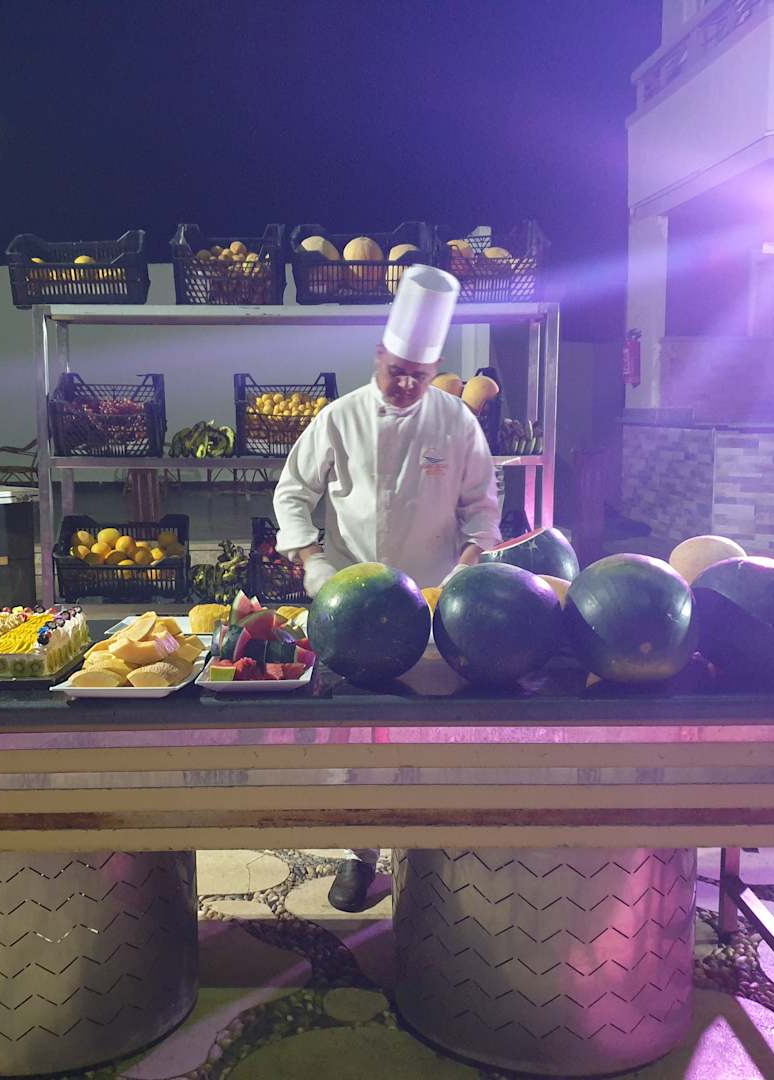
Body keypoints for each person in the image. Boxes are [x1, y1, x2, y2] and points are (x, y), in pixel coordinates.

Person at [272, 263, 502, 911]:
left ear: (436, 371)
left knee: (431, 732)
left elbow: (482, 509)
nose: (404, 384)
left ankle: (435, 855)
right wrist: (312, 560)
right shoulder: (339, 418)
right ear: (379, 354)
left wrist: (468, 565)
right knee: (358, 735)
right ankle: (360, 853)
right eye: (395, 370)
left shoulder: (456, 422)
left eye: (417, 376)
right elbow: (293, 493)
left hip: (433, 604)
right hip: (352, 606)